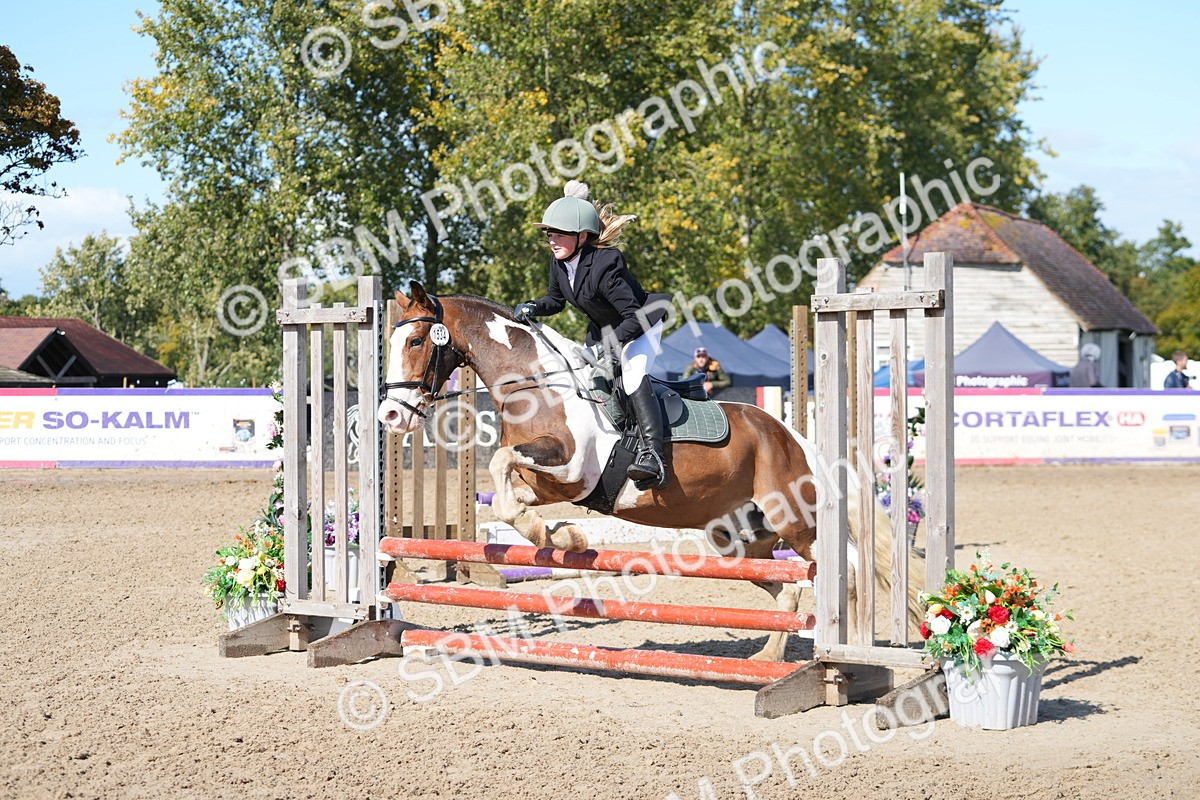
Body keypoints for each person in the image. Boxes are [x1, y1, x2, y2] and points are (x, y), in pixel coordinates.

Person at [512, 181, 671, 488]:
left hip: (641, 324)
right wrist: (533, 306)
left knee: (632, 373)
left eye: (558, 234)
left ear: (582, 236)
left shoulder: (606, 264)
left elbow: (632, 318)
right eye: (549, 234)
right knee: (587, 378)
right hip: (604, 328)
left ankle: (653, 455)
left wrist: (604, 348)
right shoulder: (560, 263)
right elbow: (555, 301)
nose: (552, 240)